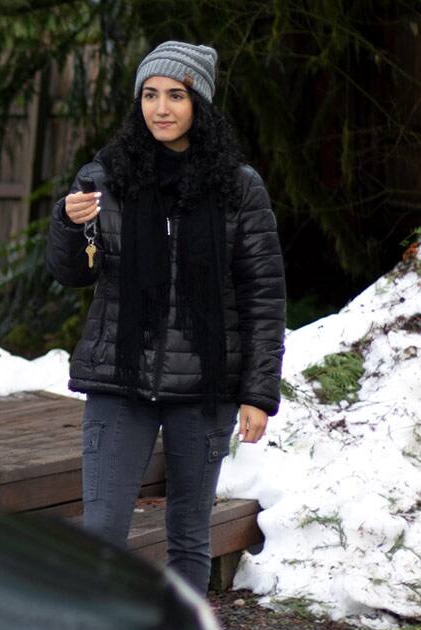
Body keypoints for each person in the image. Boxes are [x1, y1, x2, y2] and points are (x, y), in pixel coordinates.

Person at [45, 40, 285, 594]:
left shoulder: (238, 187)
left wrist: (258, 391)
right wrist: (67, 220)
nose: (161, 108)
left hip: (206, 384)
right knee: (103, 531)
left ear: (198, 103)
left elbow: (264, 295)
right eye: (150, 94)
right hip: (117, 379)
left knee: (188, 534)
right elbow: (73, 273)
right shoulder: (105, 177)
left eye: (176, 95)